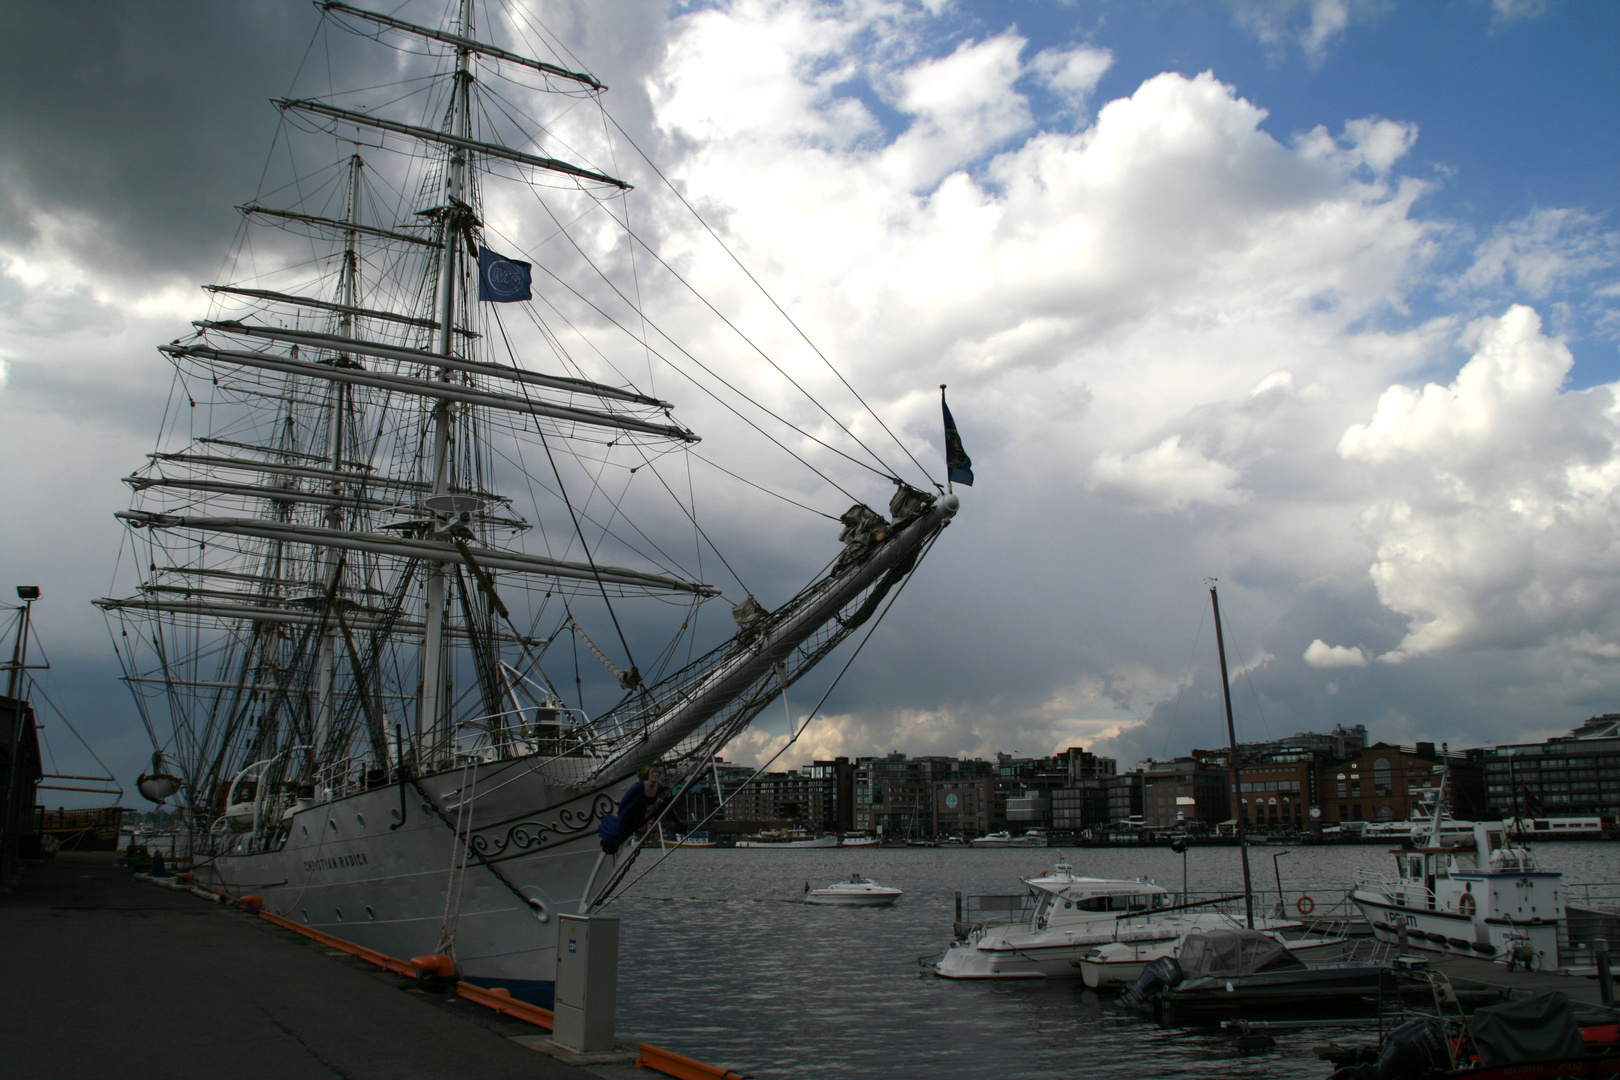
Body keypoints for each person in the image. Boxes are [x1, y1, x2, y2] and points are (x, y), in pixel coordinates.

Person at [599, 765, 667, 854]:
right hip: (629, 812)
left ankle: (614, 846)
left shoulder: (660, 788)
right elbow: (626, 798)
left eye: (657, 772)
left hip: (640, 815)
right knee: (618, 831)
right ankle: (607, 844)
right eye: (653, 772)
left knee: (628, 833)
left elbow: (661, 797)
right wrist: (620, 809)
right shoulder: (638, 786)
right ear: (647, 773)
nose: (656, 774)